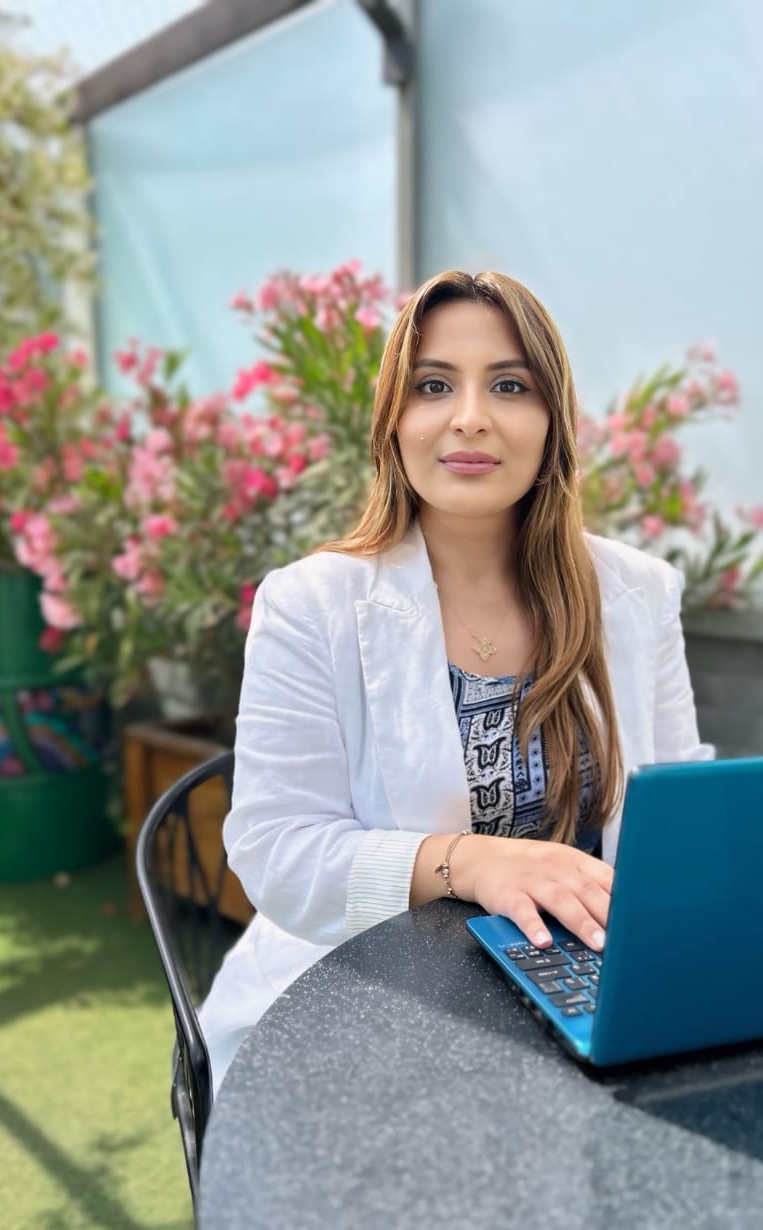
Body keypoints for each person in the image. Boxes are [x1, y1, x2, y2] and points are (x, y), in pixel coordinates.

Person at [199, 269, 713, 1093]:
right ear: (393, 421)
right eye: (434, 385)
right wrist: (468, 864)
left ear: (553, 421)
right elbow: (278, 855)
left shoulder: (638, 593)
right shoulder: (311, 604)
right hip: (368, 995)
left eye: (509, 385)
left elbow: (683, 808)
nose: (470, 416)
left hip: (585, 981)